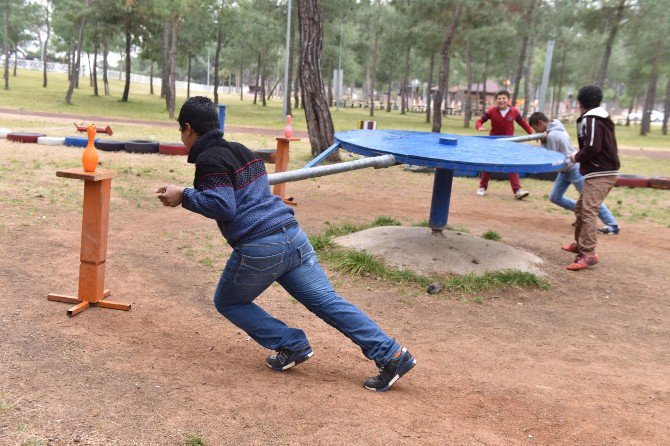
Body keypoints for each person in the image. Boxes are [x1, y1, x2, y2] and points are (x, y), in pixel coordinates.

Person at [156, 96, 415, 391]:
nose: (182, 136)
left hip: (261, 246)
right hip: (292, 236)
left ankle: (290, 343)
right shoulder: (243, 151)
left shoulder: (208, 160)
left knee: (228, 301)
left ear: (188, 129)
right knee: (328, 302)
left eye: (181, 131)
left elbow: (223, 206)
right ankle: (391, 353)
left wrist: (183, 196)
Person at [528, 112, 620, 235]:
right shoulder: (556, 128)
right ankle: (581, 215)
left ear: (540, 123)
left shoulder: (553, 135)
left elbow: (549, 156)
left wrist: (543, 142)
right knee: (555, 197)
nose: (535, 132)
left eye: (535, 128)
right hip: (564, 170)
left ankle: (612, 224)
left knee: (590, 199)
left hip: (573, 168)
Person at [560, 86, 620, 271]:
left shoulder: (592, 119)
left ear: (579, 103)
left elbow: (592, 147)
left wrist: (575, 157)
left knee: (588, 211)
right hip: (598, 172)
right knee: (581, 208)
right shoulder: (599, 117)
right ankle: (580, 243)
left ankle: (588, 253)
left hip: (601, 172)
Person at [475, 90, 533, 199]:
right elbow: (479, 121)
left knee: (511, 165)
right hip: (493, 143)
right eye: (499, 98)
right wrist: (479, 127)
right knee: (489, 165)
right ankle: (482, 188)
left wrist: (532, 134)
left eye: (504, 98)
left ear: (508, 100)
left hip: (509, 144)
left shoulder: (514, 112)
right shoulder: (492, 111)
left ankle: (517, 191)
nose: (501, 100)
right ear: (496, 100)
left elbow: (523, 123)